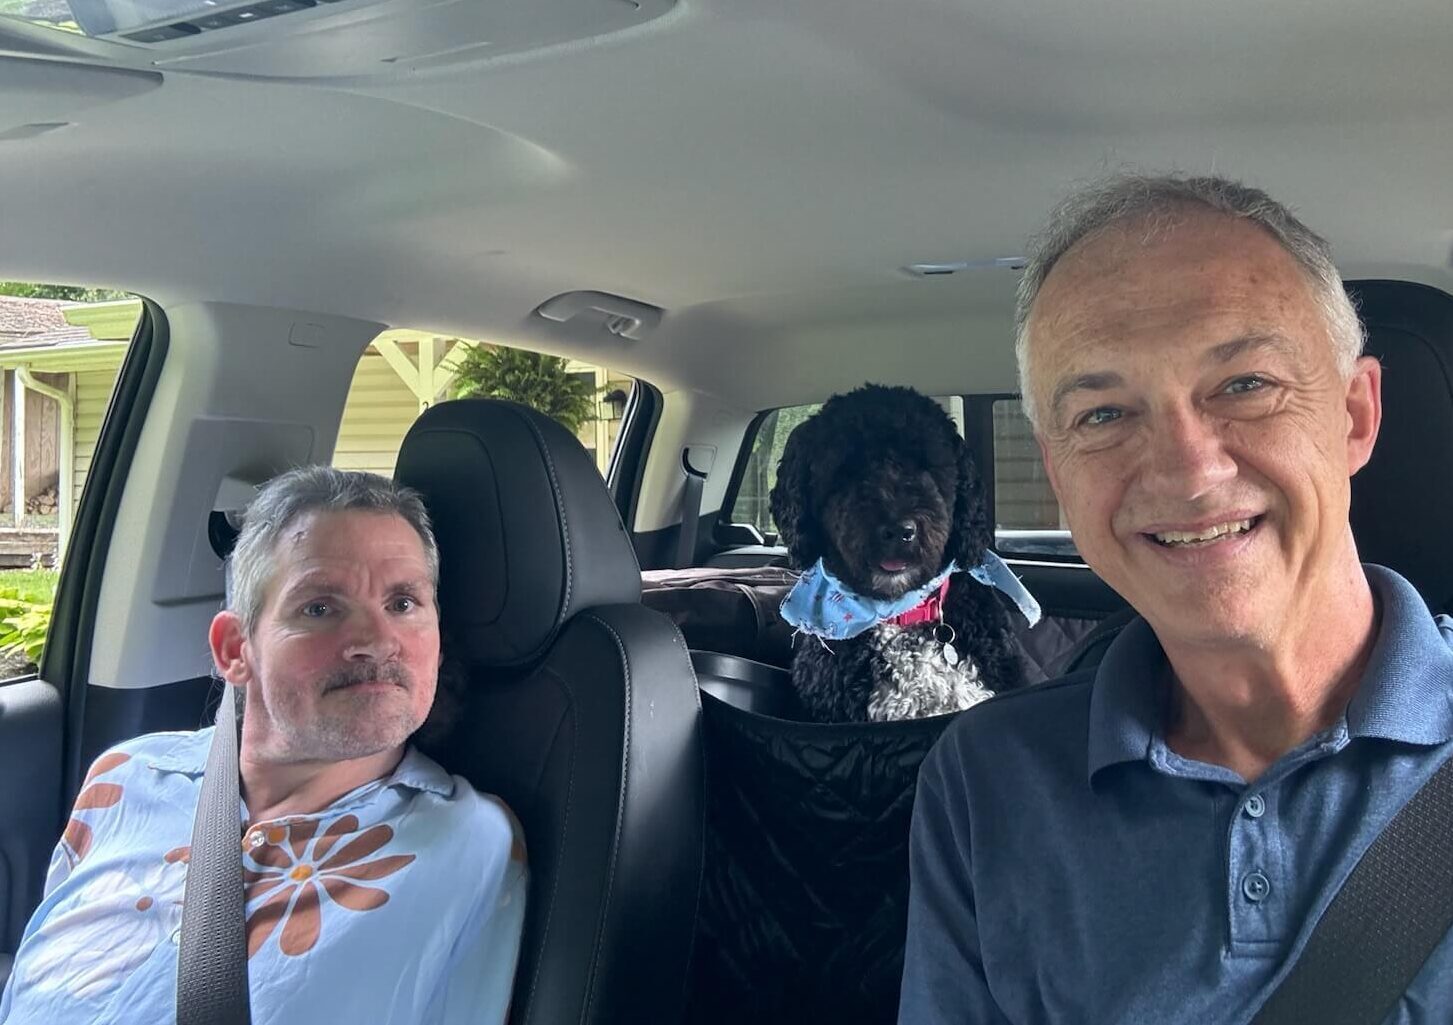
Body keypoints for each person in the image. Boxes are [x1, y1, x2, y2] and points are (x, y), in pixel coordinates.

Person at [898, 174, 1453, 1023]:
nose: (1188, 472)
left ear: (1354, 414)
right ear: (1058, 477)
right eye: (1104, 414)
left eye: (1243, 385)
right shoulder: (985, 781)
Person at [0, 466, 526, 1024]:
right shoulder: (127, 775)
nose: (375, 641)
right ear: (234, 649)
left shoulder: (470, 845)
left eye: (403, 603)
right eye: (320, 608)